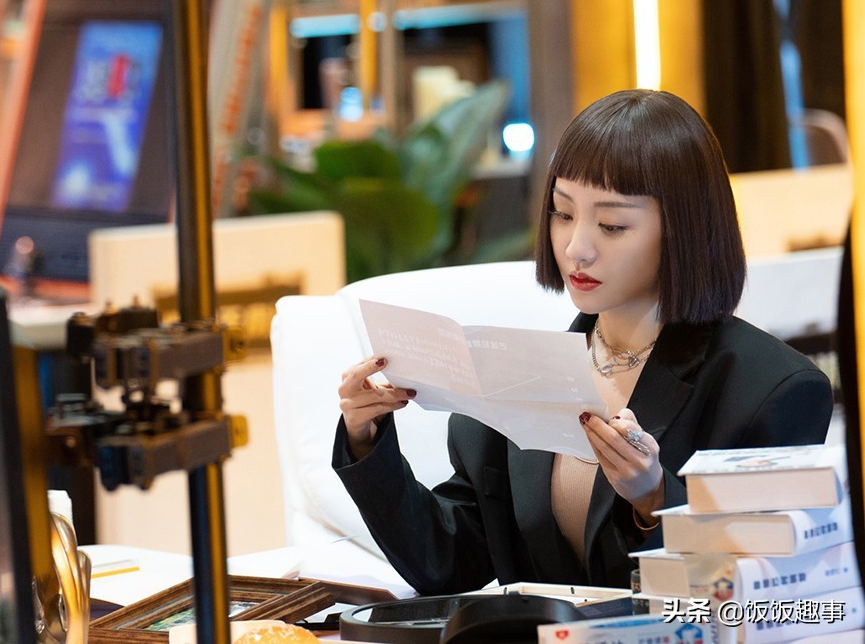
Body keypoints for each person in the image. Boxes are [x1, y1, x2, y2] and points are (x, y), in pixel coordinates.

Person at [332, 89, 834, 594]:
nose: (576, 248)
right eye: (563, 213)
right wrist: (365, 440)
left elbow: (760, 590)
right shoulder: (520, 378)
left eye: (612, 225)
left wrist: (655, 499)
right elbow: (448, 563)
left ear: (684, 229)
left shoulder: (773, 390)